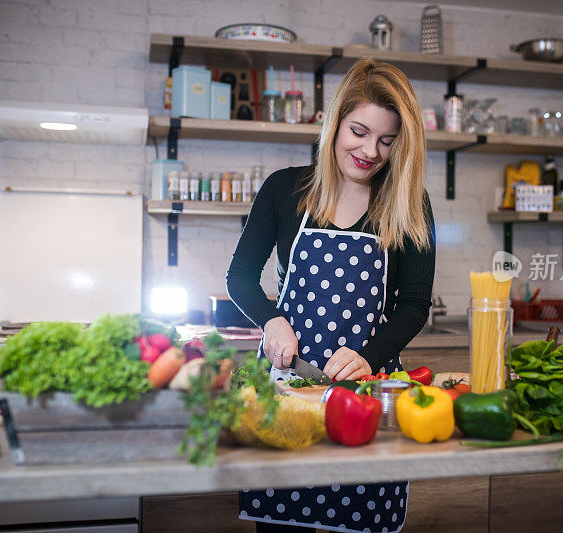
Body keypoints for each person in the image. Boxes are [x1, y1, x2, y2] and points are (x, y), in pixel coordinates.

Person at [226, 58, 435, 533]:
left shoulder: (407, 202)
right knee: (282, 517)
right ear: (334, 121)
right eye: (359, 131)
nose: (370, 151)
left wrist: (369, 356)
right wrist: (272, 321)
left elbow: (415, 304)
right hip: (286, 388)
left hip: (364, 393)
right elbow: (240, 277)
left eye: (387, 140)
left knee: (360, 515)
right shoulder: (285, 189)